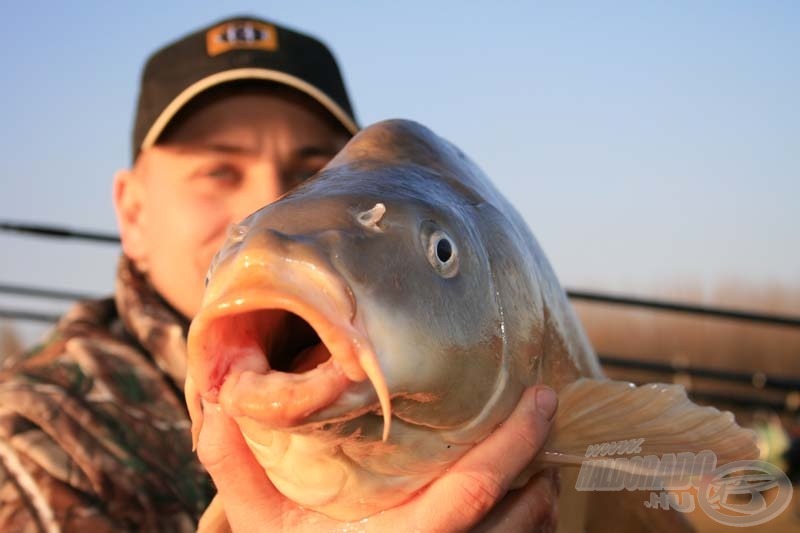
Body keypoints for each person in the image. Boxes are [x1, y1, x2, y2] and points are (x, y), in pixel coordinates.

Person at [0, 16, 559, 531]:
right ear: (133, 214)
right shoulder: (35, 440)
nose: (267, 206)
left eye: (313, 172)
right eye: (219, 170)